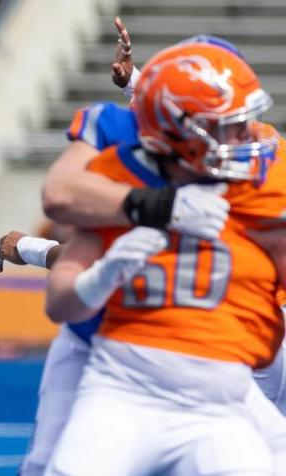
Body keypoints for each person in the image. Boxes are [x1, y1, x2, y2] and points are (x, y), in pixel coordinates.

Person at [44, 41, 286, 474]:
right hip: (119, 381)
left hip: (220, 397)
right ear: (183, 129)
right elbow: (60, 199)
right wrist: (143, 224)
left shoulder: (262, 178)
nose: (253, 135)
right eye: (233, 124)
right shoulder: (116, 172)